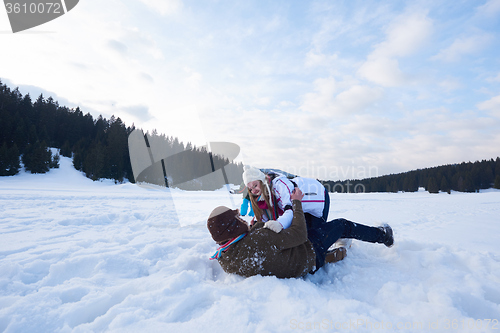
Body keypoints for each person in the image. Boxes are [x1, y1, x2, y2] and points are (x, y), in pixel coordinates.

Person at [207, 188, 394, 278]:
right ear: (231, 228)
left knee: (316, 226)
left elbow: (255, 249)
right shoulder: (260, 238)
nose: (242, 220)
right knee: (342, 225)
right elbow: (299, 235)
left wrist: (257, 227)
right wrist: (296, 202)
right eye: (238, 219)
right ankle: (383, 235)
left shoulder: (225, 259)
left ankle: (334, 254)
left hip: (294, 265)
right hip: (309, 253)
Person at [242, 166, 348, 262]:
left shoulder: (280, 186)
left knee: (316, 238)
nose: (253, 190)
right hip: (301, 208)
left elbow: (290, 211)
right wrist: (255, 225)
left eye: (255, 185)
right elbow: (265, 217)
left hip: (317, 197)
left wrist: (279, 224)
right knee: (303, 238)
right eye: (250, 189)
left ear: (262, 181)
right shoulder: (263, 195)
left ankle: (340, 238)